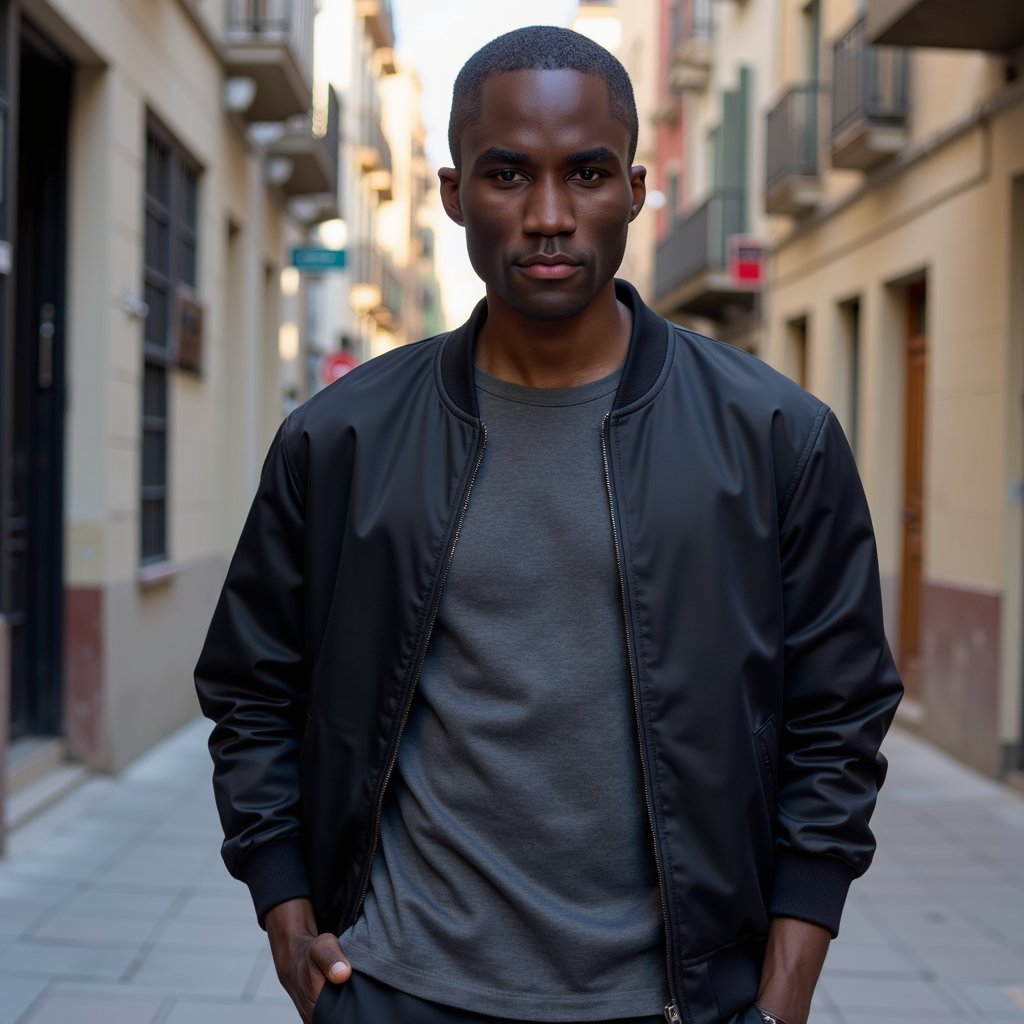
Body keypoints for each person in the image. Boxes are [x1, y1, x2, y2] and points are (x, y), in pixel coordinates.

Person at [195, 25, 902, 1024]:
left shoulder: (775, 436)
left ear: (636, 187)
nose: (549, 215)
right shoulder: (340, 438)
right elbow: (252, 687)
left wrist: (781, 997)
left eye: (586, 173)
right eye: (506, 175)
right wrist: (285, 915)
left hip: (671, 1000)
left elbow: (840, 715)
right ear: (450, 194)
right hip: (398, 985)